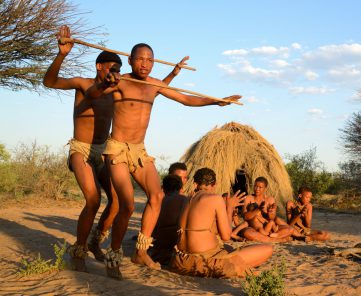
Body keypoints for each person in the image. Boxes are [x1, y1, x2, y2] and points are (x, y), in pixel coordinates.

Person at [92, 43, 241, 279]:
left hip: (139, 151)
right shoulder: (120, 81)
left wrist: (216, 102)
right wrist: (105, 82)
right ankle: (113, 255)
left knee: (157, 196)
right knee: (127, 204)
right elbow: (95, 94)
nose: (145, 64)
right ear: (130, 61)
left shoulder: (153, 85)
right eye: (140, 59)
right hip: (118, 149)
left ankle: (141, 251)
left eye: (149, 60)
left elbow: (185, 99)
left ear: (153, 62)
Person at [42, 25, 123, 271]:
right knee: (93, 200)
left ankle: (95, 242)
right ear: (99, 67)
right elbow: (49, 82)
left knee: (118, 201)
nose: (115, 73)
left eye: (118, 70)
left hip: (102, 150)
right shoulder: (82, 83)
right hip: (81, 149)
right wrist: (61, 55)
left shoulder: (118, 90)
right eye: (111, 68)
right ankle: (78, 252)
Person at [169, 168, 273, 278]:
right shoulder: (215, 198)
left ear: (195, 184)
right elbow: (226, 236)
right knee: (267, 249)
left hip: (180, 261)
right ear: (214, 185)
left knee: (228, 247)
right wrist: (229, 207)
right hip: (204, 262)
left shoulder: (186, 199)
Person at [150, 174, 189, 265]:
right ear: (181, 188)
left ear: (163, 188)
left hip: (159, 244)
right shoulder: (185, 200)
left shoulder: (158, 201)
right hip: (176, 243)